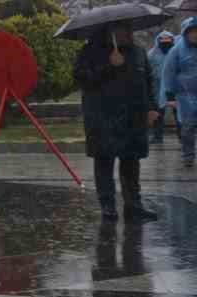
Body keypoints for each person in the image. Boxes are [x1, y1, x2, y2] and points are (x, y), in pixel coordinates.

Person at [75, 26, 159, 222]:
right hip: (102, 117)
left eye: (130, 29)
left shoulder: (138, 52)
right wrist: (108, 67)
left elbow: (148, 80)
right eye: (123, 30)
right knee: (104, 161)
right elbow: (81, 79)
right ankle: (108, 206)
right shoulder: (90, 52)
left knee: (131, 162)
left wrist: (152, 106)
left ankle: (134, 206)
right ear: (110, 33)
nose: (129, 34)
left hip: (133, 117)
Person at [162, 16, 197, 170]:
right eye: (192, 32)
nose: (195, 35)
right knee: (188, 127)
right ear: (186, 33)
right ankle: (188, 156)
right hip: (185, 96)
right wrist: (170, 95)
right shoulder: (177, 50)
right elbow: (168, 73)